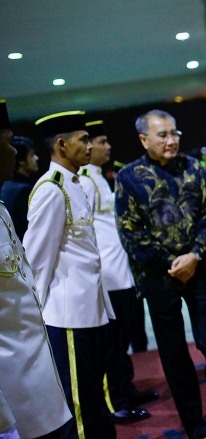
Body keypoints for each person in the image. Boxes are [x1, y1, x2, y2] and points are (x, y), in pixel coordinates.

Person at [115, 110, 206, 439]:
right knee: (174, 353)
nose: (171, 140)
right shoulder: (128, 177)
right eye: (162, 135)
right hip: (158, 275)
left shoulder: (193, 168)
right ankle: (196, 426)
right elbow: (130, 235)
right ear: (144, 140)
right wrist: (173, 263)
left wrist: (193, 257)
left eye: (174, 133)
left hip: (201, 263)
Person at [24, 110, 116, 438]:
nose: (90, 146)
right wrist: (34, 321)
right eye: (83, 140)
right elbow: (36, 263)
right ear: (62, 145)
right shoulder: (51, 190)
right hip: (68, 317)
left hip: (91, 311)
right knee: (78, 407)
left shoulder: (76, 183)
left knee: (94, 397)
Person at [0, 99, 72, 439]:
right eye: (8, 143)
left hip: (40, 381)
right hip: (14, 401)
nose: (15, 152)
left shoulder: (0, 210)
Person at [78, 120, 157, 424]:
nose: (106, 147)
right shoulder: (84, 180)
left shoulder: (97, 178)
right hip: (108, 276)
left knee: (123, 338)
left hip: (120, 273)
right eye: (100, 142)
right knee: (113, 345)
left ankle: (127, 389)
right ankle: (117, 402)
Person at [0, 136, 38, 239]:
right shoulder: (23, 190)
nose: (36, 158)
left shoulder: (7, 185)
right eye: (31, 155)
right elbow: (33, 229)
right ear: (21, 160)